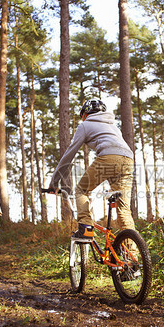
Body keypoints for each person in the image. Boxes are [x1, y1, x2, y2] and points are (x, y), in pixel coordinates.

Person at [49, 98, 135, 240]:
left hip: (108, 157)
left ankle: (86, 227)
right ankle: (133, 257)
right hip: (128, 160)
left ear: (85, 114)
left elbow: (69, 155)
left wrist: (54, 182)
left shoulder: (85, 125)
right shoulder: (113, 127)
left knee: (81, 190)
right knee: (124, 211)